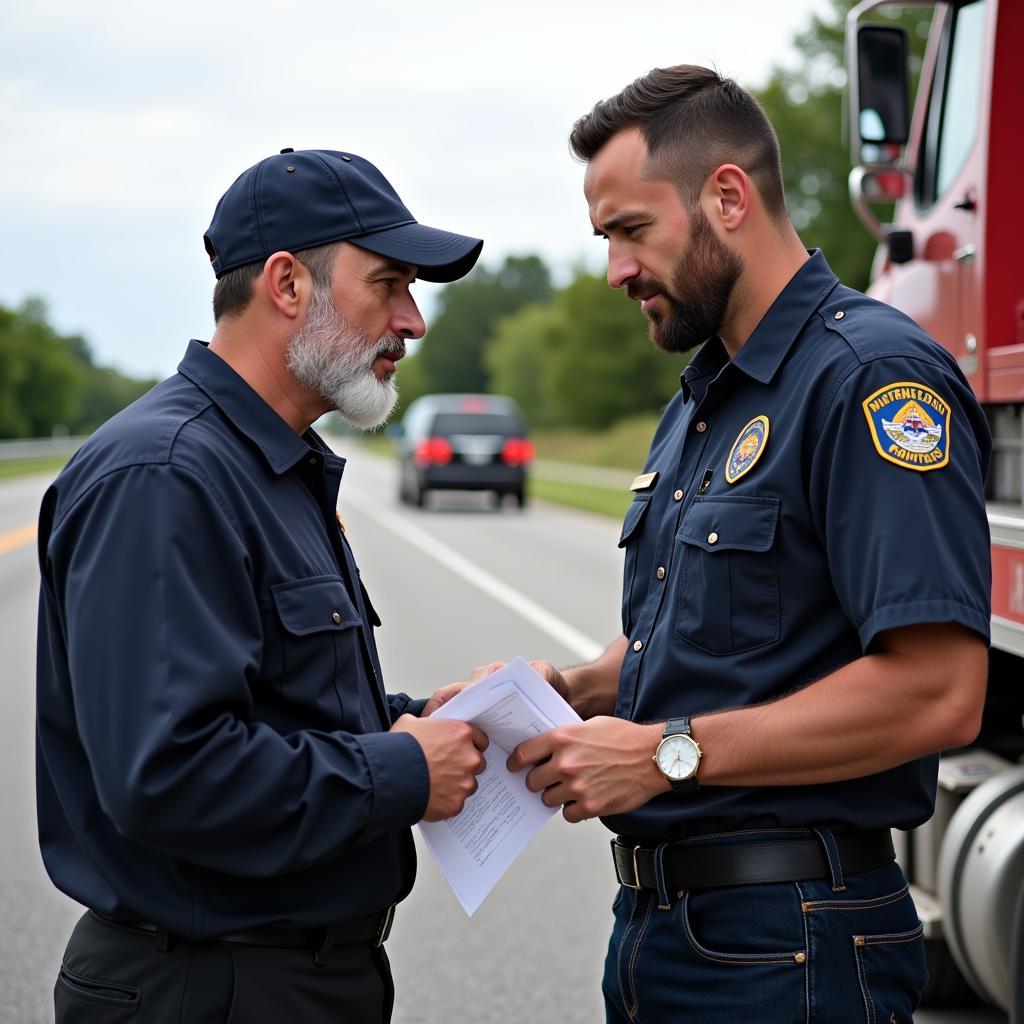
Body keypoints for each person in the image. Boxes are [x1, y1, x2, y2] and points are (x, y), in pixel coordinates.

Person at [497, 66, 990, 1022]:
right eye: (605, 240)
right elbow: (744, 632)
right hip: (666, 930)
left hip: (790, 940)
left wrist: (663, 754)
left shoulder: (870, 377)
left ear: (726, 196)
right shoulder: (705, 397)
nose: (615, 272)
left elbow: (939, 689)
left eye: (632, 232)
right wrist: (586, 685)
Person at [36, 148, 490, 1024]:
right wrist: (398, 770)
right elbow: (168, 771)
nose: (413, 320)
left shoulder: (267, 466)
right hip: (206, 987)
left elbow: (272, 704)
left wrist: (419, 719)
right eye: (389, 283)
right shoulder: (165, 473)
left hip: (287, 980)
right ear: (288, 284)